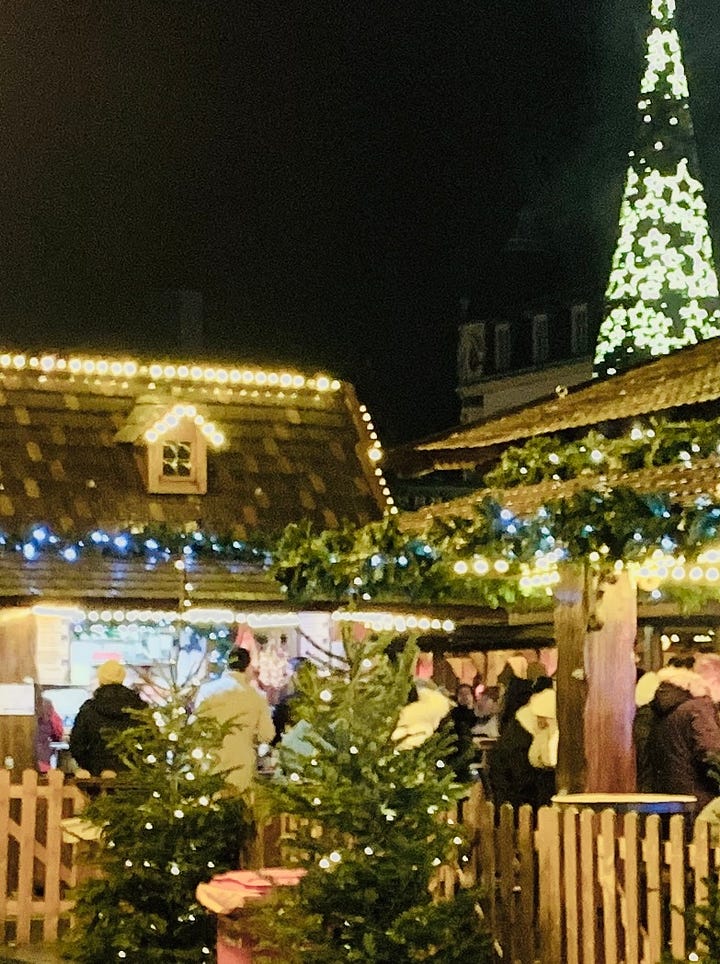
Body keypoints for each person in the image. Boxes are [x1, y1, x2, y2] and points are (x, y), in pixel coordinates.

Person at [195, 647, 275, 792]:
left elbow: (195, 726)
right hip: (241, 763)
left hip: (211, 760)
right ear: (247, 666)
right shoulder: (256, 696)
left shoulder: (207, 691)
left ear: (227, 664)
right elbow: (267, 734)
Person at [648, 663, 720, 810]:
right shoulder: (697, 707)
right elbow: (711, 752)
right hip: (700, 800)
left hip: (667, 799)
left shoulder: (660, 711)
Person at [70, 660, 145, 776]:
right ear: (123, 677)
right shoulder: (139, 708)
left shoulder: (89, 709)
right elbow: (149, 741)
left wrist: (90, 767)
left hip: (97, 777)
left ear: (100, 679)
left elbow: (77, 745)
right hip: (133, 776)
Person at [448, 683, 477, 781]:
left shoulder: (479, 712)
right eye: (461, 694)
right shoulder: (454, 713)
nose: (464, 696)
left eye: (467, 693)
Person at [34, 691, 63, 774]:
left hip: (39, 755)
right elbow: (59, 733)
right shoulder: (54, 717)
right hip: (45, 755)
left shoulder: (31, 721)